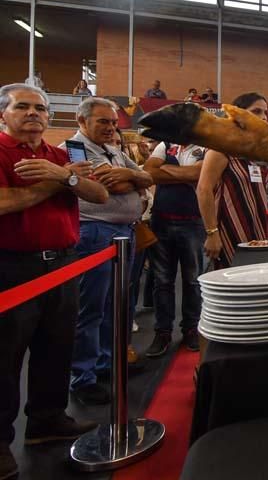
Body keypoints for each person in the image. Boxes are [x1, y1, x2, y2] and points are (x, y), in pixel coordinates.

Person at [0, 84, 107, 479]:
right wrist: (55, 183)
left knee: (56, 346)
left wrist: (65, 176)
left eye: (41, 108)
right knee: (6, 357)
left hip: (62, 265)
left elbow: (97, 193)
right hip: (12, 267)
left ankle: (47, 420)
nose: (33, 114)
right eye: (23, 107)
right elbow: (3, 202)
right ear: (3, 114)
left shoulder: (60, 156)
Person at [67, 97, 153, 406]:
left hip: (124, 232)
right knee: (91, 307)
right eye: (103, 121)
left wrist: (133, 176)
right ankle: (83, 377)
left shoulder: (114, 150)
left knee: (115, 304)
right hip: (95, 233)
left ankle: (106, 363)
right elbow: (106, 188)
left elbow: (147, 176)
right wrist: (134, 179)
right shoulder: (76, 149)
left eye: (113, 122)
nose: (110, 127)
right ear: (82, 121)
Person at [143, 141, 206, 357]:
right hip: (161, 222)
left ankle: (191, 328)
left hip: (194, 222)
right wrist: (184, 174)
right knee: (162, 281)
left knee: (193, 280)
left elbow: (199, 174)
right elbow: (149, 172)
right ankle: (162, 332)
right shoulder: (165, 144)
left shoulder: (205, 147)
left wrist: (166, 170)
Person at [197, 92, 268, 269]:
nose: (263, 117)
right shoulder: (220, 148)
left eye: (265, 112)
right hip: (228, 234)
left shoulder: (258, 152)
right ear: (238, 114)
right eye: (256, 111)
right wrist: (212, 233)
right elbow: (203, 189)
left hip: (257, 232)